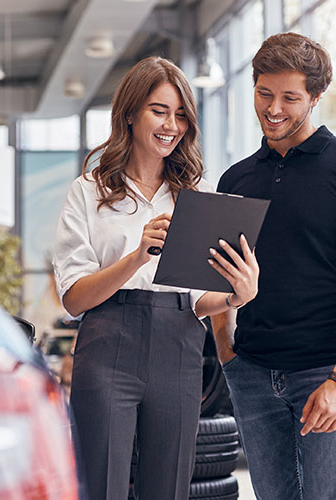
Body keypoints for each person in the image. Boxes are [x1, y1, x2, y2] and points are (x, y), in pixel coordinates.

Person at [52, 56, 260, 500]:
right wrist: (136, 257)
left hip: (179, 346)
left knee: (168, 488)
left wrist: (234, 296)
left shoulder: (196, 195)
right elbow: (73, 299)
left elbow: (197, 297)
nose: (172, 125)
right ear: (130, 114)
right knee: (101, 484)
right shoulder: (88, 191)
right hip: (108, 345)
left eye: (181, 114)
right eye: (159, 110)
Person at [211, 32, 336, 500]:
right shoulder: (237, 178)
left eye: (290, 98)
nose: (274, 109)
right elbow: (221, 275)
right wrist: (229, 355)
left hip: (325, 372)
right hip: (252, 373)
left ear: (315, 97)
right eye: (264, 93)